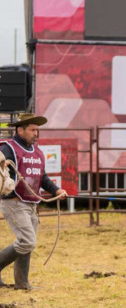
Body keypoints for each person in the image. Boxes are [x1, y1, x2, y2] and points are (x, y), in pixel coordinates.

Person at [0, 113, 67, 289]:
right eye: (32, 130)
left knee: (27, 243)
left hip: (30, 204)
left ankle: (22, 283)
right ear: (20, 130)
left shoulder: (37, 152)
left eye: (37, 130)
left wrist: (56, 190)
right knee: (27, 241)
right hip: (13, 202)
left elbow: (42, 178)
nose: (36, 133)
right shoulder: (8, 148)